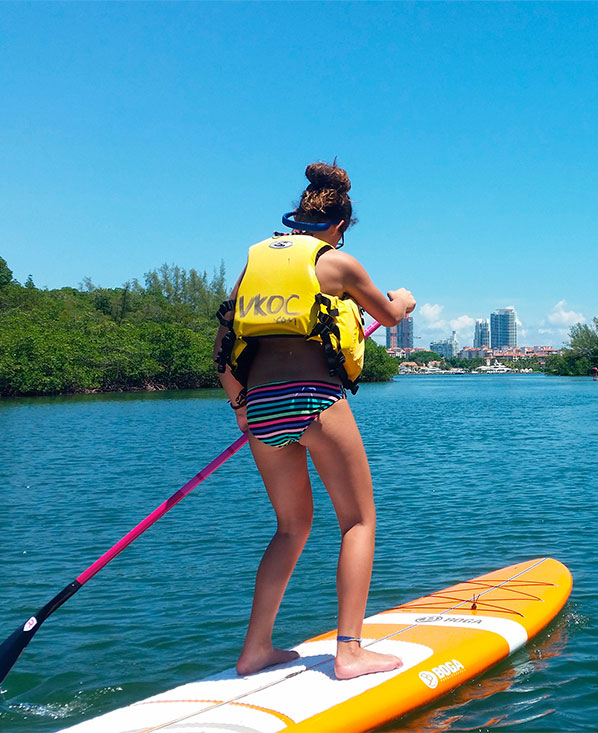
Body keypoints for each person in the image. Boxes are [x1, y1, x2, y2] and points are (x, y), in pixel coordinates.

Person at [213, 162, 415, 680]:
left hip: (258, 407)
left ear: (296, 216)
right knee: (358, 521)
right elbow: (389, 317)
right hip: (315, 400)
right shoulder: (338, 264)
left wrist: (241, 410)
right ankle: (349, 651)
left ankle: (255, 649)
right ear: (340, 224)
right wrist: (404, 300)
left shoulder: (253, 265)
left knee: (291, 527)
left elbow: (222, 349)